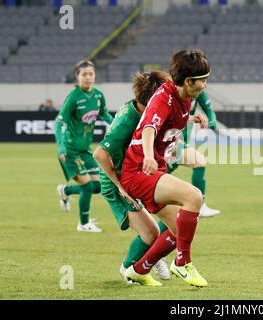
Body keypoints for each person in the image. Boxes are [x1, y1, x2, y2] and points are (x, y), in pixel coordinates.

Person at [120, 49, 210, 287]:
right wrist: (148, 155)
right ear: (189, 81)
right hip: (140, 171)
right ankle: (182, 263)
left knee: (177, 229)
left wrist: (192, 119)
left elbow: (169, 120)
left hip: (151, 171)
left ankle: (138, 270)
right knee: (194, 197)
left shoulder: (185, 98)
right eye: (203, 80)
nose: (206, 85)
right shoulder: (164, 98)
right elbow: (149, 126)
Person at [93, 71, 172, 285]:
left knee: (174, 212)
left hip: (136, 175)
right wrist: (120, 186)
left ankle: (153, 256)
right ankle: (128, 269)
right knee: (151, 233)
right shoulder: (128, 119)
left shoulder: (140, 109)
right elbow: (100, 154)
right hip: (117, 183)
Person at [54, 60, 114, 232]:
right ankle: (84, 223)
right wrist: (61, 147)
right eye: (84, 74)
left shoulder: (98, 96)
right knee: (87, 187)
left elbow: (103, 113)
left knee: (99, 186)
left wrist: (117, 124)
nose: (88, 78)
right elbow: (58, 123)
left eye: (91, 74)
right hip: (70, 151)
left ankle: (66, 190)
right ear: (77, 77)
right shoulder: (73, 97)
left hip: (85, 150)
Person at [167, 90, 221, 218]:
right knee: (199, 161)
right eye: (202, 80)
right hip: (171, 137)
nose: (204, 84)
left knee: (167, 168)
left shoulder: (198, 92)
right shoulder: (172, 93)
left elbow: (209, 109)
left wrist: (212, 121)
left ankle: (141, 193)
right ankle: (199, 206)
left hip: (182, 138)